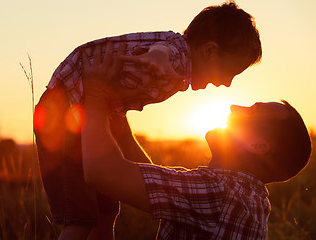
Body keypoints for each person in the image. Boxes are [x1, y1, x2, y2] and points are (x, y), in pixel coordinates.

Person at [34, 1, 262, 239]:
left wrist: (153, 174)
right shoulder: (175, 59)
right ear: (209, 52)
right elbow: (163, 52)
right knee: (80, 218)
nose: (227, 83)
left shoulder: (177, 58)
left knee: (107, 211)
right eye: (230, 72)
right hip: (62, 112)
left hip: (85, 111)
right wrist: (157, 58)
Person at [80, 42, 312, 239]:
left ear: (257, 145)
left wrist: (96, 94)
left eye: (252, 111)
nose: (234, 107)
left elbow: (101, 173)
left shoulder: (217, 192)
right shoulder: (250, 198)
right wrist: (116, 119)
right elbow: (150, 178)